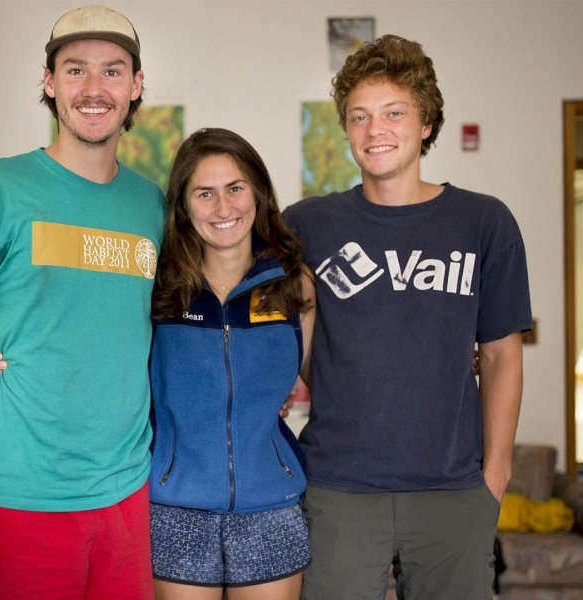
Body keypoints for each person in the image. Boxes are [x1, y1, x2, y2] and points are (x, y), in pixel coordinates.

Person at [282, 35, 532, 599]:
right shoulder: (307, 224)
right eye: (360, 116)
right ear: (345, 129)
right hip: (338, 487)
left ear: (426, 123)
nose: (376, 131)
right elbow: (287, 339)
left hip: (453, 491)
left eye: (394, 113)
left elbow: (500, 355)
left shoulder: (483, 222)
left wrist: (494, 478)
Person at [0, 5, 164, 598]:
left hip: (127, 491)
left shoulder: (152, 204)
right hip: (21, 489)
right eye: (75, 70)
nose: (94, 89)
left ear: (136, 87)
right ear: (50, 84)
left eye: (112, 71)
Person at [148, 127, 315, 598]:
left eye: (235, 188)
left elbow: (328, 379)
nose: (223, 208)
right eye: (205, 193)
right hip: (174, 506)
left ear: (258, 193)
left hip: (271, 504)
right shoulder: (159, 287)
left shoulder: (293, 284)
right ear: (183, 206)